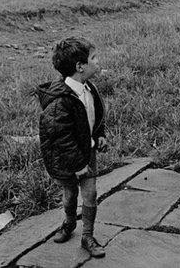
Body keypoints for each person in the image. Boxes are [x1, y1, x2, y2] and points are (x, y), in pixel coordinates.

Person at [36, 37, 108, 258]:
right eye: (93, 58)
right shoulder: (60, 101)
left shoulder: (89, 88)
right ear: (80, 67)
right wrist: (77, 165)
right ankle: (69, 222)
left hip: (88, 151)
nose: (98, 61)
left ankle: (87, 235)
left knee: (91, 193)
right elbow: (60, 137)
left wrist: (100, 134)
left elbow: (96, 116)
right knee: (70, 192)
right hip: (66, 158)